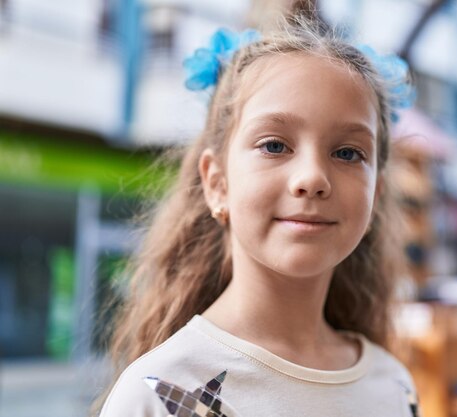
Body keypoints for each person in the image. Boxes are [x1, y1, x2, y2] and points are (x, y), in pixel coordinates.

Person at [93, 18, 419, 417]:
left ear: (376, 194)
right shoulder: (160, 394)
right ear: (217, 183)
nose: (312, 178)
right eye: (275, 145)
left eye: (348, 153)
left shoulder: (394, 385)